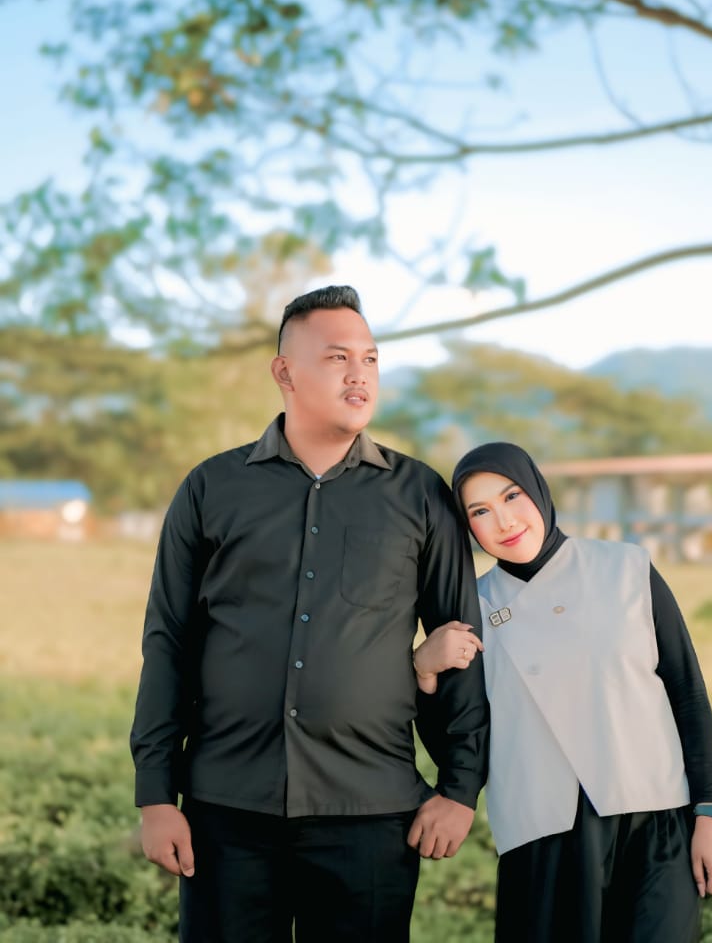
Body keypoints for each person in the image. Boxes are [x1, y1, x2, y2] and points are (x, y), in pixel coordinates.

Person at [130, 285, 488, 943]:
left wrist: (460, 788)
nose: (360, 374)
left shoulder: (420, 494)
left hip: (371, 813)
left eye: (370, 358)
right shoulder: (211, 487)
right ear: (285, 372)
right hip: (226, 810)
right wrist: (156, 793)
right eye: (337, 357)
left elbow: (462, 641)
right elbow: (169, 642)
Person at [414, 441, 712, 943]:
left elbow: (687, 694)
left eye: (512, 496)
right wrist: (424, 671)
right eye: (480, 511)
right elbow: (458, 743)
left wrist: (711, 813)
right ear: (467, 526)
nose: (504, 520)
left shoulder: (627, 569)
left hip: (655, 818)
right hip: (542, 833)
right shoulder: (473, 608)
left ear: (538, 491)